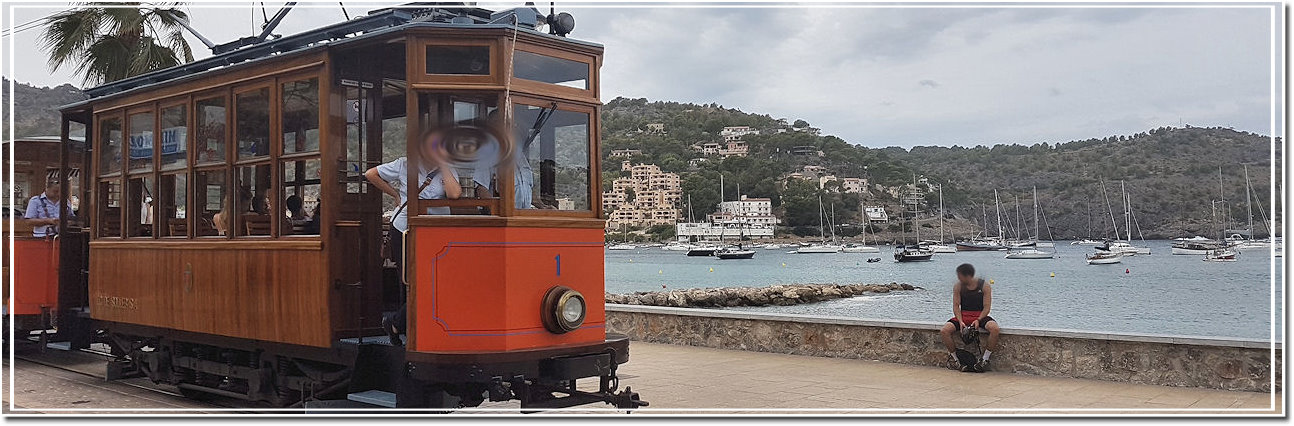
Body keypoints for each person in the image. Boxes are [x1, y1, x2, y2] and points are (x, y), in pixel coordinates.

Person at [364, 127, 463, 345]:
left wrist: (444, 164)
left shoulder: (445, 169)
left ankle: (396, 322)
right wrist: (395, 195)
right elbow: (371, 174)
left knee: (439, 280)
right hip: (405, 230)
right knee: (413, 280)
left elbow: (455, 194)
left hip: (437, 231)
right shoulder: (403, 164)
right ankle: (409, 328)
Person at [940, 263, 999, 372]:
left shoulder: (984, 286)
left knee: (994, 329)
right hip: (963, 315)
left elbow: (987, 307)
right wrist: (960, 321)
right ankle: (956, 360)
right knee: (944, 331)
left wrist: (978, 319)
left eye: (960, 276)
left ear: (968, 276)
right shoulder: (958, 286)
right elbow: (956, 306)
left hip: (979, 315)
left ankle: (984, 360)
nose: (958, 279)